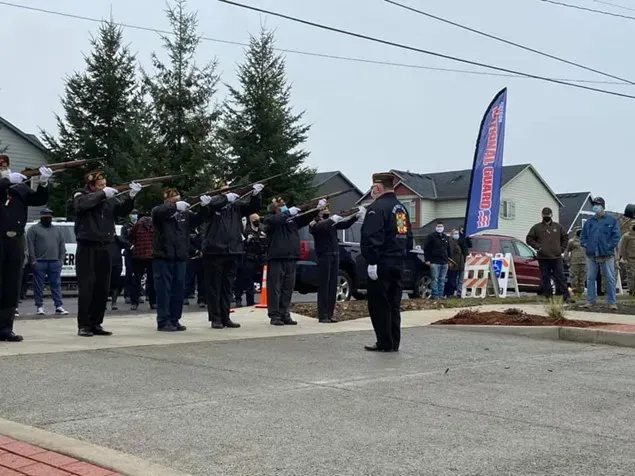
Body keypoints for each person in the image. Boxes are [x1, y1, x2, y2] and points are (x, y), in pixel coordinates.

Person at [73, 170, 141, 337]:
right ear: (91, 185)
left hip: (105, 246)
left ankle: (96, 322)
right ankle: (84, 324)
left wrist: (131, 196)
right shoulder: (81, 195)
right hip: (87, 246)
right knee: (87, 287)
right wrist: (102, 194)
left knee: (102, 287)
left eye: (105, 184)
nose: (104, 187)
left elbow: (120, 211)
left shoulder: (109, 200)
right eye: (100, 185)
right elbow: (81, 205)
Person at [0, 155, 52, 341]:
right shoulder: (6, 185)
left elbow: (38, 200)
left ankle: (6, 327)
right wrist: (5, 181)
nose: (4, 169)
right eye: (1, 168)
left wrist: (43, 183)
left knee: (11, 285)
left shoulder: (18, 188)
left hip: (15, 239)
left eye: (6, 167)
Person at [360, 172, 413, 352]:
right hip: (398, 261)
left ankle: (384, 342)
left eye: (373, 188)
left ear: (378, 187)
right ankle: (393, 341)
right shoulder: (400, 208)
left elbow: (372, 237)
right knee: (393, 304)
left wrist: (372, 261)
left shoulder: (377, 208)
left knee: (379, 304)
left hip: (382, 262)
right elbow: (406, 236)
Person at [201, 184, 263, 329]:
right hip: (215, 250)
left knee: (227, 287)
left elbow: (252, 209)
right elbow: (212, 206)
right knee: (214, 286)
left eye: (229, 189)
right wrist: (225, 199)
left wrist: (255, 195)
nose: (228, 191)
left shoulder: (235, 205)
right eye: (224, 189)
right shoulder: (211, 202)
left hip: (233, 250)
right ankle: (215, 318)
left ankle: (225, 316)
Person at [151, 188, 212, 331]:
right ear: (166, 201)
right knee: (164, 291)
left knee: (178, 290)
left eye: (178, 200)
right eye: (173, 201)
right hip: (163, 256)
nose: (177, 203)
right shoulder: (158, 211)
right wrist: (175, 207)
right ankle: (163, 320)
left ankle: (174, 319)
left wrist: (203, 207)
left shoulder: (184, 213)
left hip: (180, 256)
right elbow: (161, 212)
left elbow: (196, 221)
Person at [264, 196, 325, 326]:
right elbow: (275, 221)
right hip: (276, 257)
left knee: (288, 288)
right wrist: (289, 212)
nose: (284, 207)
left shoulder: (292, 221)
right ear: (275, 209)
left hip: (291, 257)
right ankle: (275, 315)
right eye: (281, 206)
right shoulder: (270, 219)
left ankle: (285, 313)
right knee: (275, 288)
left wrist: (316, 208)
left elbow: (305, 218)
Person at [309, 207, 363, 322]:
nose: (327, 211)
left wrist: (355, 217)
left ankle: (330, 313)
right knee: (324, 285)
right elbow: (320, 227)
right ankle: (323, 315)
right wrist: (333, 219)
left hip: (334, 254)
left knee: (333, 285)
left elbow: (344, 225)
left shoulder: (332, 222)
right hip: (324, 255)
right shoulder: (314, 223)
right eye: (324, 209)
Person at [580, 197, 621, 310]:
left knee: (610, 278)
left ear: (603, 206)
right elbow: (583, 236)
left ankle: (612, 302)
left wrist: (609, 247)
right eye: (594, 205)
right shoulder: (589, 222)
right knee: (590, 278)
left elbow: (616, 236)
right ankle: (590, 301)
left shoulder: (611, 221)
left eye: (597, 205)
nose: (595, 207)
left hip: (607, 254)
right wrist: (586, 244)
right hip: (591, 254)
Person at [26, 208, 68, 315]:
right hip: (40, 262)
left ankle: (59, 306)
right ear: (41, 217)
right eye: (46, 216)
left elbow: (61, 245)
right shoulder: (33, 229)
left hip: (54, 262)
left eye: (50, 216)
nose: (48, 218)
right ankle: (39, 306)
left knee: (56, 285)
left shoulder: (57, 230)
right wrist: (33, 260)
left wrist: (61, 260)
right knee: (38, 286)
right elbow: (30, 245)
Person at [526, 207, 571, 302]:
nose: (546, 217)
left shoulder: (558, 227)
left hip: (556, 256)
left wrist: (561, 249)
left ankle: (566, 296)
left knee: (560, 276)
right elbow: (529, 239)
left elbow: (565, 237)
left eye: (548, 215)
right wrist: (537, 247)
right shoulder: (536, 227)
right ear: (542, 215)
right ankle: (548, 296)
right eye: (544, 215)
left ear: (551, 215)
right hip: (543, 257)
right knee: (545, 277)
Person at [235, 213, 267, 307]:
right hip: (249, 257)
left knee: (263, 279)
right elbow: (241, 244)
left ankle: (263, 299)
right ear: (251, 220)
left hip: (260, 257)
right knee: (247, 279)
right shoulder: (246, 231)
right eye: (254, 220)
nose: (257, 221)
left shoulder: (262, 229)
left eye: (258, 219)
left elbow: (266, 243)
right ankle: (247, 300)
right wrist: (247, 240)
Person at [129, 213, 156, 311]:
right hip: (151, 256)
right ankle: (153, 302)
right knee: (152, 280)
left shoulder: (137, 226)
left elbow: (130, 236)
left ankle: (134, 302)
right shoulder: (154, 225)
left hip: (138, 255)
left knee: (136, 280)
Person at [423, 221, 451, 300]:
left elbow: (448, 249)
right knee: (434, 279)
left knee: (442, 280)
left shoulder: (446, 237)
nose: (439, 228)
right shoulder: (431, 237)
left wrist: (449, 260)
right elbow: (426, 249)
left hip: (444, 262)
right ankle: (435, 295)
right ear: (436, 227)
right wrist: (427, 260)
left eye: (441, 226)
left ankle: (441, 295)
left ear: (443, 227)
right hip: (434, 261)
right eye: (438, 226)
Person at [120, 210, 137, 304]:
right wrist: (130, 246)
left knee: (137, 275)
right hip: (129, 253)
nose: (135, 216)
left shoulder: (138, 225)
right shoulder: (125, 227)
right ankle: (127, 294)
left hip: (138, 253)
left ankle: (136, 294)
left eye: (136, 214)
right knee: (129, 274)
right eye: (133, 214)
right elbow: (122, 239)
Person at [565, 228, 587, 298]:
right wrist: (567, 260)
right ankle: (575, 292)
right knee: (574, 277)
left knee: (582, 278)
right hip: (574, 262)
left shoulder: (586, 240)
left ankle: (580, 293)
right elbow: (567, 251)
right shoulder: (572, 241)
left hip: (584, 262)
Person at [445, 229, 464, 298]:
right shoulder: (450, 242)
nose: (457, 235)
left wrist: (462, 234)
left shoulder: (459, 242)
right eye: (455, 233)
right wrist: (450, 261)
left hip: (460, 264)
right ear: (451, 234)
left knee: (459, 280)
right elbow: (450, 252)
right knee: (452, 280)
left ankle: (457, 293)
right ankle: (450, 293)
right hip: (453, 264)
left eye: (457, 233)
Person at [108, 235, 124, 310]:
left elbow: (127, 245)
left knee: (115, 285)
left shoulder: (117, 240)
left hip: (117, 264)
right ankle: (102, 304)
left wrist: (118, 238)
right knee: (104, 285)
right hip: (106, 263)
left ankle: (114, 303)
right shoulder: (104, 238)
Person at [619, 224, 635, 296]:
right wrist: (624, 257)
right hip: (630, 258)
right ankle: (632, 290)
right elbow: (623, 248)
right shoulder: (626, 236)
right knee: (631, 275)